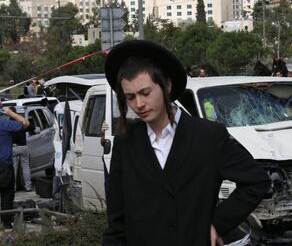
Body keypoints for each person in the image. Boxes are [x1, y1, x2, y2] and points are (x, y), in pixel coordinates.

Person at [102, 40, 270, 245]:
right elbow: (117, 222)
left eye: (145, 93)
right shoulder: (126, 142)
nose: (139, 104)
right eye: (130, 97)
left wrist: (216, 223)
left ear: (167, 86)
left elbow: (257, 181)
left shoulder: (207, 136)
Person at [0, 104, 29, 227]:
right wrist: (10, 112)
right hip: (4, 165)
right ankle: (6, 223)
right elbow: (25, 123)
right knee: (7, 194)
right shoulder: (4, 124)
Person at [10, 107, 35, 191]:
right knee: (26, 167)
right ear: (16, 113)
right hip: (23, 147)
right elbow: (32, 128)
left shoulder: (8, 123)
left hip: (13, 148)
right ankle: (28, 186)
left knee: (14, 168)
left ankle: (13, 187)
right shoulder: (21, 122)